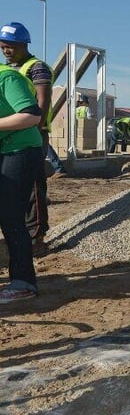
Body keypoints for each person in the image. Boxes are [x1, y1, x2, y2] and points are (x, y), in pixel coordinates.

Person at [0, 22, 54, 252]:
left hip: (32, 133)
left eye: (10, 46)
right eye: (3, 46)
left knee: (33, 186)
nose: (6, 50)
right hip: (10, 135)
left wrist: (36, 127)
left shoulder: (37, 67)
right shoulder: (8, 68)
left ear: (23, 44)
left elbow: (42, 101)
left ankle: (36, 235)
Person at [0, 60, 43, 302]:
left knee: (10, 214)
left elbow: (31, 115)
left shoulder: (6, 78)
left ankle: (23, 282)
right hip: (4, 149)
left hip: (21, 150)